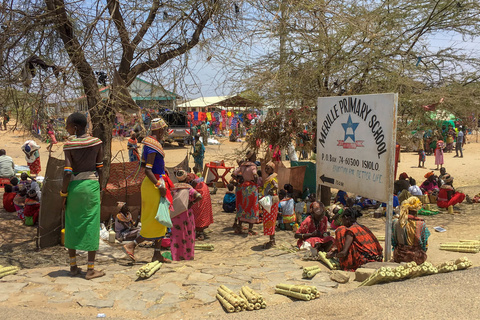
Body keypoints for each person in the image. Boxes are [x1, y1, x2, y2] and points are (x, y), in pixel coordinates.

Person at [123, 118, 173, 264]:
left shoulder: (151, 144)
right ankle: (132, 244)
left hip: (156, 183)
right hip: (153, 185)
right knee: (154, 219)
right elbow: (148, 170)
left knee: (161, 219)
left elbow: (145, 164)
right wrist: (159, 185)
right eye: (163, 129)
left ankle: (157, 254)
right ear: (158, 130)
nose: (164, 132)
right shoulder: (152, 145)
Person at [62, 112, 105, 279]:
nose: (66, 128)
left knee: (72, 223)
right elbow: (100, 168)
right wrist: (99, 189)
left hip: (74, 186)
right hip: (92, 185)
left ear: (75, 127)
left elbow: (67, 172)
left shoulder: (69, 145)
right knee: (91, 224)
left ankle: (73, 267)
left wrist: (63, 193)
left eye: (67, 125)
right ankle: (91, 269)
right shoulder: (97, 143)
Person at [170, 170, 202, 261]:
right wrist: (191, 204)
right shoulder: (189, 189)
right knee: (188, 234)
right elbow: (199, 196)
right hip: (186, 214)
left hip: (174, 214)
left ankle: (176, 256)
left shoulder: (172, 188)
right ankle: (188, 256)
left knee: (176, 235)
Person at [392, 196, 430, 264]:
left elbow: (393, 242)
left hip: (399, 257)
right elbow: (425, 246)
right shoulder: (421, 224)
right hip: (416, 259)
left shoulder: (396, 222)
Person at [233, 150, 260, 236]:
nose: (255, 158)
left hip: (243, 187)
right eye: (255, 156)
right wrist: (256, 181)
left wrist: (239, 180)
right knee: (252, 206)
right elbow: (255, 175)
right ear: (252, 157)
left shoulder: (242, 165)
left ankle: (239, 226)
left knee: (243, 206)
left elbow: (234, 174)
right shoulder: (253, 166)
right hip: (251, 188)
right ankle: (250, 229)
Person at [187, 172, 213, 240]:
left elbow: (194, 190)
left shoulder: (192, 180)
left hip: (200, 195)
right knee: (199, 212)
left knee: (199, 212)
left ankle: (200, 232)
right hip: (202, 194)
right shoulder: (194, 178)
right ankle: (198, 231)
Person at [260, 160, 279, 248]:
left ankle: (271, 241)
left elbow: (276, 186)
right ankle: (272, 240)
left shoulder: (272, 179)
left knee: (270, 220)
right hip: (270, 201)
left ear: (272, 170)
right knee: (270, 220)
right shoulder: (269, 178)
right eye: (265, 168)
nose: (266, 170)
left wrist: (271, 191)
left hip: (271, 202)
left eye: (268, 168)